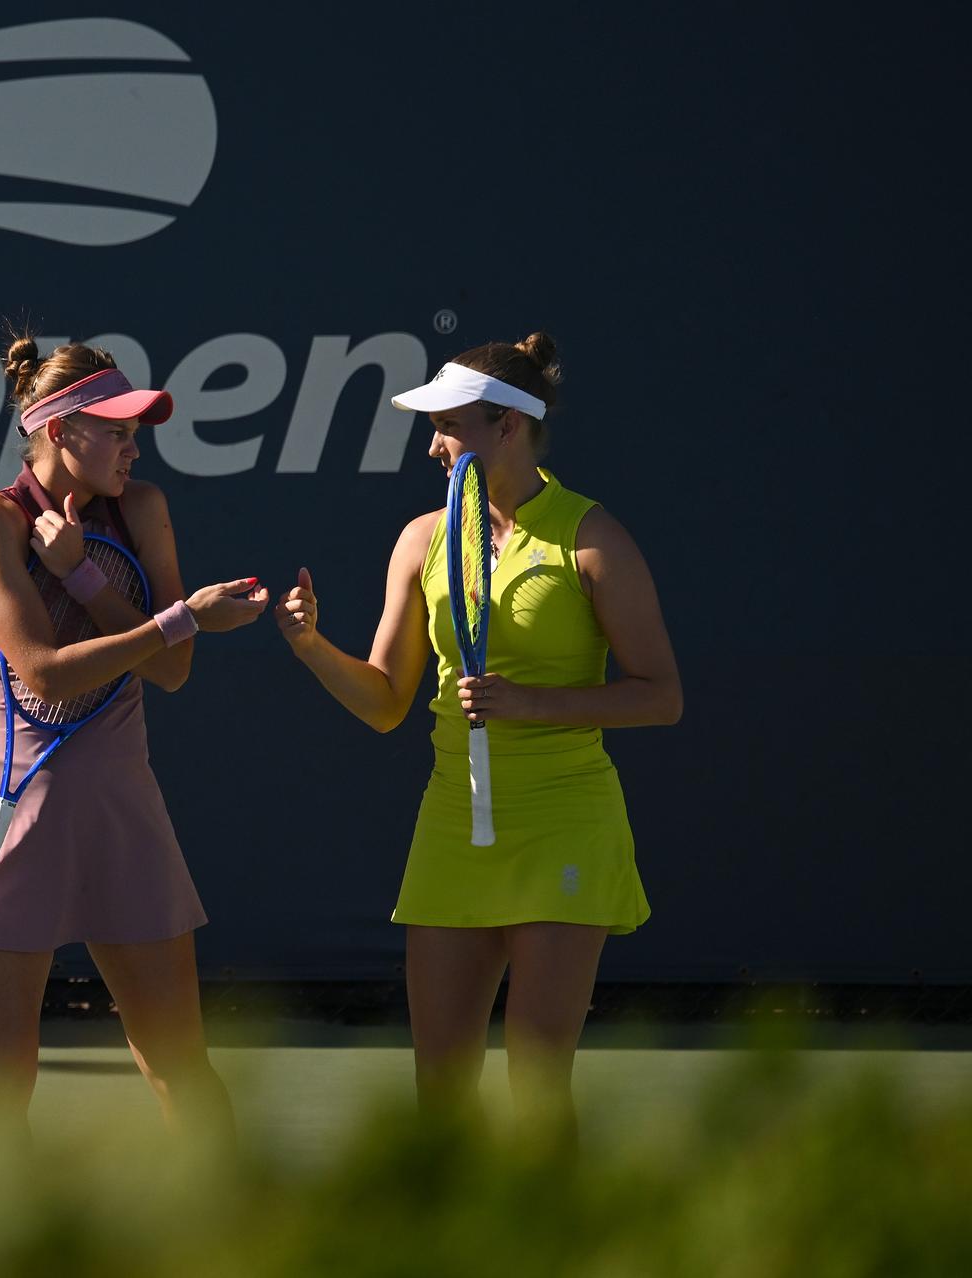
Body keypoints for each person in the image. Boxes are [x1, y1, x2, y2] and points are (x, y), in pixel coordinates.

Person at [274, 333, 681, 1136]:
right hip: (452, 825)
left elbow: (660, 697)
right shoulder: (423, 540)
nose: (433, 445)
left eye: (449, 427)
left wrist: (533, 706)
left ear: (508, 428)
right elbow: (388, 700)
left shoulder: (594, 540)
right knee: (441, 1088)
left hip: (565, 820)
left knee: (536, 1084)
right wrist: (311, 646)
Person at [0, 334, 268, 1157]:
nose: (132, 444)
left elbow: (174, 669)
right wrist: (181, 613)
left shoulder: (142, 509)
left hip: (123, 814)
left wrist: (85, 578)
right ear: (56, 433)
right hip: (12, 821)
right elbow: (42, 674)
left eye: (133, 430)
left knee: (181, 1067)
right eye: (114, 429)